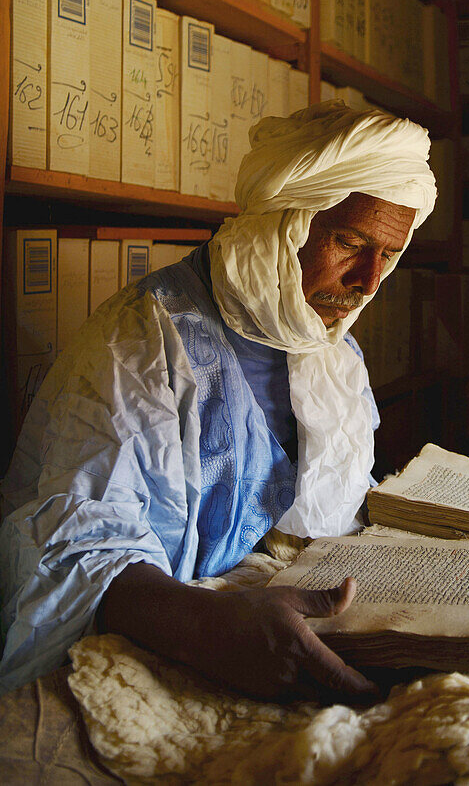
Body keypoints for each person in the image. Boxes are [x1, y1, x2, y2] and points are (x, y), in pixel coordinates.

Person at [0, 103, 436, 700]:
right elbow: (76, 552)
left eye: (390, 254)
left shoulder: (332, 350)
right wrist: (210, 626)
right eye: (351, 242)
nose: (369, 279)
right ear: (286, 223)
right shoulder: (145, 338)